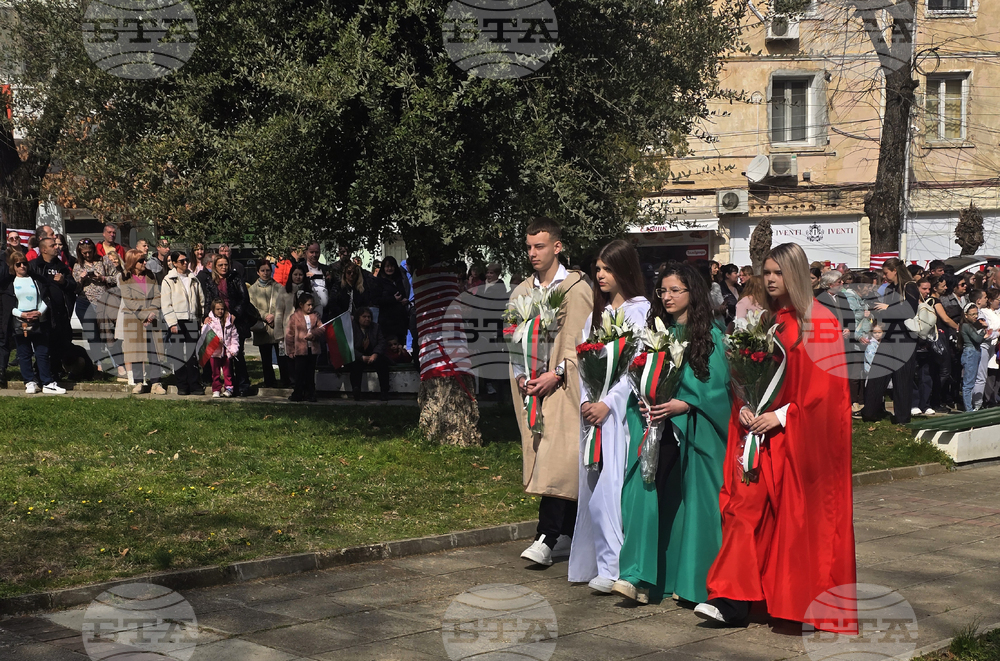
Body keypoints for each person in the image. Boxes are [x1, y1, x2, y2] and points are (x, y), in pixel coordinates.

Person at [698, 243, 855, 633]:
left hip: (795, 438)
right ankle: (730, 599)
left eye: (778, 272)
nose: (769, 279)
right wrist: (744, 406)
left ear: (795, 274)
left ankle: (789, 600)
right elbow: (748, 376)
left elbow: (826, 394)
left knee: (794, 523)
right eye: (766, 272)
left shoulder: (818, 322)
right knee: (742, 510)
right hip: (759, 437)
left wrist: (782, 416)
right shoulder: (766, 321)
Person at [613, 261, 730, 605]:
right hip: (656, 426)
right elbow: (642, 376)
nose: (667, 296)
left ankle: (690, 580)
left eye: (675, 290)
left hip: (693, 429)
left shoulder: (711, 336)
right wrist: (644, 399)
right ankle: (637, 575)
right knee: (644, 494)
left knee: (692, 503)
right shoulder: (655, 335)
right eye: (662, 290)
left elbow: (718, 387)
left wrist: (687, 403)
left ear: (693, 293)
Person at [509, 218, 593, 567]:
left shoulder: (575, 288)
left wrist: (557, 373)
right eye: (529, 247)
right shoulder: (521, 291)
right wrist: (520, 375)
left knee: (559, 456)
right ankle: (567, 534)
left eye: (540, 246)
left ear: (557, 247)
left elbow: (580, 341)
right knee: (550, 455)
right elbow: (513, 338)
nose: (533, 253)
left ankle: (545, 536)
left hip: (563, 385)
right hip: (531, 387)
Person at [568, 240, 649, 594]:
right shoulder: (595, 316)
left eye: (608, 269)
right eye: (597, 269)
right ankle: (603, 562)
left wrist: (610, 403)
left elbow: (637, 366)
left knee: (613, 490)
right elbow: (586, 364)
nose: (600, 275)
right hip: (595, 415)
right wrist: (589, 401)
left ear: (625, 270)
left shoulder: (640, 311)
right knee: (595, 487)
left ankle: (617, 564)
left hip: (622, 414)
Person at [862, 258, 918, 423]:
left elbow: (910, 310)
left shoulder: (909, 286)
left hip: (905, 338)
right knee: (877, 374)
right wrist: (876, 310)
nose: (884, 277)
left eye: (886, 273)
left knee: (902, 379)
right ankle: (870, 412)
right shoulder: (890, 288)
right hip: (889, 336)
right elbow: (886, 313)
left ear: (895, 271)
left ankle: (902, 417)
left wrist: (888, 309)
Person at [5, 251, 66, 394]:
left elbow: (44, 299)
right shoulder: (10, 283)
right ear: (13, 266)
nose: (22, 266)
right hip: (20, 321)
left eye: (24, 263)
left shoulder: (36, 280)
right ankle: (29, 381)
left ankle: (47, 382)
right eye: (18, 264)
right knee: (24, 353)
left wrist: (39, 312)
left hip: (39, 320)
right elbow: (9, 305)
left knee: (42, 352)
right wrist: (22, 314)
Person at [201, 253, 257, 396]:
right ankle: (227, 385)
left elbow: (244, 298)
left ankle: (243, 385)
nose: (224, 267)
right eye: (220, 265)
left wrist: (235, 313)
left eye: (226, 264)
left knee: (237, 353)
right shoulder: (211, 281)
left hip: (236, 320)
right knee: (222, 356)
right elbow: (208, 301)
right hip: (219, 321)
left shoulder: (236, 278)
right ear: (215, 266)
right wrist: (206, 317)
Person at [119, 249, 166, 395]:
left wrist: (152, 313)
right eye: (141, 260)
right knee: (136, 351)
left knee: (154, 350)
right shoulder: (125, 278)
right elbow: (128, 300)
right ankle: (139, 382)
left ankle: (156, 382)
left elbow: (157, 295)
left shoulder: (150, 275)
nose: (145, 262)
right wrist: (144, 315)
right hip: (135, 318)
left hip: (152, 318)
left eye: (144, 259)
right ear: (133, 263)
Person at [29, 237, 75, 380]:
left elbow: (73, 285)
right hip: (43, 312)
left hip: (60, 312)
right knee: (44, 345)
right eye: (52, 245)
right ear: (44, 250)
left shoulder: (61, 266)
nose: (56, 247)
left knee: (60, 343)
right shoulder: (34, 266)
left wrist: (64, 281)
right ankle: (40, 373)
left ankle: (55, 372)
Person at [161, 250, 205, 395]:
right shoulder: (168, 280)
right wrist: (172, 323)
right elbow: (166, 303)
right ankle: (182, 385)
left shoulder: (193, 278)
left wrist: (200, 318)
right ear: (174, 263)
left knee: (193, 354)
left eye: (186, 260)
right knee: (178, 354)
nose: (185, 263)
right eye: (181, 261)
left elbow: (201, 300)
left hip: (192, 319)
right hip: (177, 321)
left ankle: (195, 384)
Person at [72, 238, 115, 365]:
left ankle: (118, 364)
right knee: (93, 335)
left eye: (89, 252)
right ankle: (98, 364)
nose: (87, 255)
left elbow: (117, 277)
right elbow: (74, 287)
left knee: (109, 333)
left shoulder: (104, 261)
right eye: (84, 253)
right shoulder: (77, 266)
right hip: (85, 302)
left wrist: (103, 278)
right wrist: (81, 279)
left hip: (104, 301)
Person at [285, 291, 324, 402]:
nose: (311, 307)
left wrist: (314, 334)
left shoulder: (315, 316)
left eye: (312, 305)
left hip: (312, 349)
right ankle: (298, 393)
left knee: (310, 373)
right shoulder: (294, 317)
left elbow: (322, 328)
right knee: (300, 373)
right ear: (301, 304)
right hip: (300, 350)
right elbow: (289, 334)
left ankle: (310, 393)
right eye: (308, 305)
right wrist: (291, 350)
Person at [275, 264, 310, 388]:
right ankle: (292, 382)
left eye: (300, 274)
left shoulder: (309, 290)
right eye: (295, 274)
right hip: (289, 329)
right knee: (290, 357)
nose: (298, 277)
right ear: (291, 276)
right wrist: (279, 333)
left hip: (305, 329)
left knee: (303, 357)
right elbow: (279, 312)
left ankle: (304, 383)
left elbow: (318, 305)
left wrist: (316, 316)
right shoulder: (284, 291)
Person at [249, 261, 282, 388]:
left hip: (277, 326)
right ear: (258, 272)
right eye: (262, 270)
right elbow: (252, 307)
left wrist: (274, 315)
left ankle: (285, 380)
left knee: (281, 356)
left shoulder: (278, 287)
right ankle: (269, 381)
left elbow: (283, 304)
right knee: (266, 357)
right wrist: (265, 316)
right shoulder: (252, 289)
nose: (265, 273)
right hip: (262, 327)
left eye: (268, 270)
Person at [349, 307, 390, 401]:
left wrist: (375, 354)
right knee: (355, 365)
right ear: (358, 317)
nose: (367, 319)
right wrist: (361, 357)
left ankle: (384, 391)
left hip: (373, 353)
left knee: (382, 363)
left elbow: (381, 342)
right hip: (358, 355)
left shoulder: (376, 327)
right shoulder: (351, 328)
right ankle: (356, 390)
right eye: (364, 317)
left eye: (369, 317)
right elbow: (348, 346)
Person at [204, 298, 240, 397]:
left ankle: (229, 388)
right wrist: (215, 341)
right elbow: (205, 335)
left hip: (226, 350)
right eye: (218, 309)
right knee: (215, 372)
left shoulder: (229, 321)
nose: (220, 311)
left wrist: (233, 350)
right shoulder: (210, 322)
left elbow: (234, 337)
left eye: (222, 309)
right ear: (213, 309)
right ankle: (216, 389)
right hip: (214, 351)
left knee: (227, 371)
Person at [911, 278, 936, 416]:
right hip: (913, 343)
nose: (927, 292)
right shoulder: (911, 304)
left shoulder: (929, 304)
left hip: (926, 345)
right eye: (924, 289)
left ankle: (925, 404)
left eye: (929, 289)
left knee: (926, 376)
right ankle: (914, 404)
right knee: (912, 376)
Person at [376, 255, 411, 346]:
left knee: (400, 346)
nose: (389, 269)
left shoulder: (400, 280)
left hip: (400, 320)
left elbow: (404, 293)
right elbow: (376, 300)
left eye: (392, 266)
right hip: (387, 321)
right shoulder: (379, 282)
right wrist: (393, 299)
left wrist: (404, 301)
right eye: (387, 266)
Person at [959, 302, 985, 412]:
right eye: (972, 314)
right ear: (966, 315)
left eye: (976, 313)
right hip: (970, 353)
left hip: (975, 352)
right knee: (968, 384)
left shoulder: (972, 325)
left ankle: (970, 408)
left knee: (972, 382)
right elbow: (977, 339)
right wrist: (983, 330)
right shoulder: (965, 326)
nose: (975, 316)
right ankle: (968, 410)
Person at [977, 290, 1000, 408]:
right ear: (990, 300)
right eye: (998, 300)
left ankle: (995, 398)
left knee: (998, 374)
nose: (999, 302)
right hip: (990, 345)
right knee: (990, 373)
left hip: (998, 346)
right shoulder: (984, 312)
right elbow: (988, 329)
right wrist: (997, 331)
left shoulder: (998, 311)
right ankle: (988, 399)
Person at [303, 242, 331, 319]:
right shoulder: (301, 268)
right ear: (306, 252)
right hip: (307, 314)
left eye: (317, 252)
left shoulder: (326, 269)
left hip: (325, 314)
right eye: (311, 252)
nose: (314, 255)